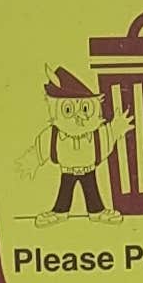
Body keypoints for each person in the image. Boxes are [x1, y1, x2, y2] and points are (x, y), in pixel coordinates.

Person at [45, 66, 106, 212]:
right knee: (64, 194)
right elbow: (40, 147)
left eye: (85, 109)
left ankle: (97, 212)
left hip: (88, 169)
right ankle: (59, 212)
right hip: (67, 170)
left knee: (92, 194)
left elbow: (109, 136)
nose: (78, 117)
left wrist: (118, 126)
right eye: (68, 110)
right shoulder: (55, 134)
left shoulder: (94, 134)